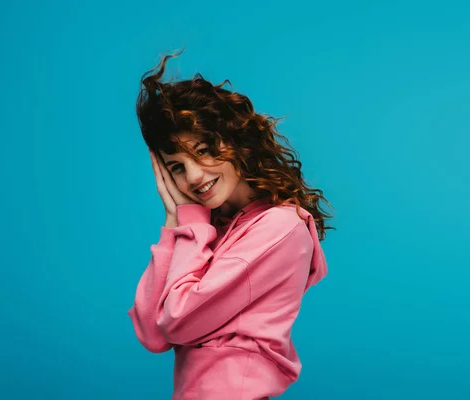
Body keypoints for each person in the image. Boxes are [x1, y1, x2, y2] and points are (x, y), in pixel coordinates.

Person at [127, 50, 333, 400]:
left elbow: (176, 321)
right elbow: (153, 333)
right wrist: (176, 222)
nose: (193, 176)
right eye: (176, 167)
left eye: (203, 150)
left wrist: (189, 221)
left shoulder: (279, 227)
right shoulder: (215, 229)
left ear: (236, 140)